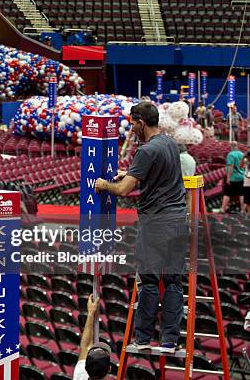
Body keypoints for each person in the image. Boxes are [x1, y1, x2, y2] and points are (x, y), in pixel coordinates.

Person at [95, 101, 188, 353]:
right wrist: (128, 173)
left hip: (155, 222)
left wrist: (104, 184)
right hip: (178, 220)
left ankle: (143, 338)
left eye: (133, 123)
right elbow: (156, 173)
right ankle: (169, 340)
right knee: (173, 282)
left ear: (141, 122)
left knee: (148, 282)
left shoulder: (145, 151)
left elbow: (125, 190)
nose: (131, 128)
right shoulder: (169, 142)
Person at [73, 295, 111, 380]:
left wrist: (91, 313)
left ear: (86, 368)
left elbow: (85, 346)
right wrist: (90, 313)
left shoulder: (80, 375)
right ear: (109, 369)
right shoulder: (79, 373)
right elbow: (85, 347)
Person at [220, 141, 244, 213]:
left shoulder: (230, 155)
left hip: (233, 178)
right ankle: (242, 210)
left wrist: (228, 178)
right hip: (241, 177)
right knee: (241, 194)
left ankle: (223, 209)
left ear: (231, 147)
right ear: (237, 146)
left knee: (227, 194)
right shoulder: (242, 154)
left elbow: (231, 166)